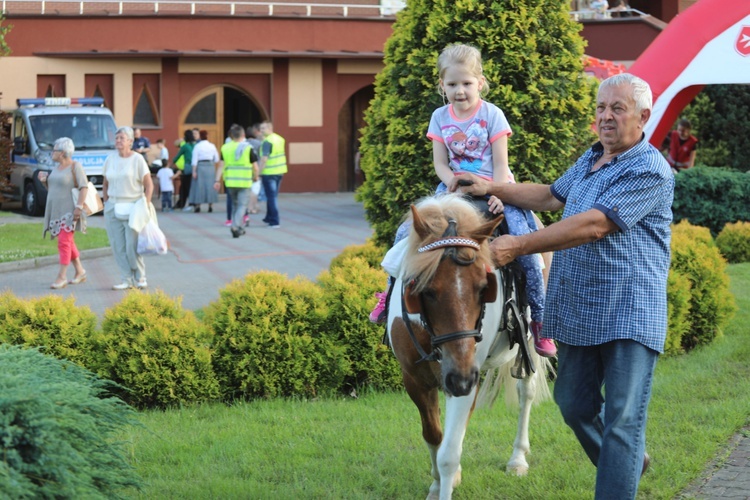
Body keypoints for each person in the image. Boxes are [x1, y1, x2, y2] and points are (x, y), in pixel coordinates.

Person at [453, 73, 674, 499]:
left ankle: (621, 464)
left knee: (623, 421)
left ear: (644, 116)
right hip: (579, 308)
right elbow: (552, 196)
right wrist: (492, 187)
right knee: (573, 405)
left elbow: (593, 225)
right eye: (601, 108)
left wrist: (517, 244)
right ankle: (629, 459)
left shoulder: (649, 168)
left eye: (618, 109)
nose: (606, 117)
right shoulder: (592, 158)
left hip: (629, 310)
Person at [368, 43, 555, 357]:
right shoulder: (440, 117)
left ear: (479, 82)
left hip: (496, 187)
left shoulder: (492, 115)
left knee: (528, 250)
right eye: (452, 84)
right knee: (406, 236)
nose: (460, 91)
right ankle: (388, 296)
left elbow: (500, 163)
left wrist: (496, 192)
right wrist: (451, 184)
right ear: (442, 85)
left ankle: (539, 320)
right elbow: (441, 163)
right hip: (453, 190)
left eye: (467, 83)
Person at [102, 126, 154, 290]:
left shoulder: (138, 159)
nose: (118, 141)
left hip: (133, 206)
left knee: (132, 245)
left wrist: (145, 204)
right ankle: (126, 279)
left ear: (130, 141)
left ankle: (140, 277)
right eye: (116, 138)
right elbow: (105, 182)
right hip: (113, 206)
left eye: (122, 138)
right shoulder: (110, 159)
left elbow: (149, 184)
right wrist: (106, 202)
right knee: (118, 246)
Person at [39, 137, 88, 289]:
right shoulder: (56, 168)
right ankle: (80, 271)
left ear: (63, 153)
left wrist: (79, 207)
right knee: (68, 242)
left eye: (54, 150)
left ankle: (62, 276)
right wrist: (43, 181)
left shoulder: (75, 166)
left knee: (64, 242)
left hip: (69, 211)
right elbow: (54, 190)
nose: (52, 153)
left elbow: (84, 187)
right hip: (56, 210)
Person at [216, 124, 259, 238]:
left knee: (235, 204)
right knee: (242, 205)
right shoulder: (248, 148)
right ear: (243, 135)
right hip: (244, 182)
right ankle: (235, 226)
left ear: (231, 136)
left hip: (230, 182)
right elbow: (255, 166)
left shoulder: (225, 147)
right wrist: (256, 176)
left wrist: (217, 180)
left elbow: (221, 165)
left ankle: (239, 227)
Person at [258, 120, 287, 229]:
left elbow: (264, 159)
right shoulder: (280, 139)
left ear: (270, 128)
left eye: (263, 128)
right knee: (273, 196)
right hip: (280, 171)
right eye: (260, 128)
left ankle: (274, 221)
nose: (261, 130)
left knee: (271, 197)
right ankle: (269, 217)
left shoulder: (267, 142)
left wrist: (259, 173)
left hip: (269, 173)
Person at [188, 130, 219, 213]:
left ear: (200, 137)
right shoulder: (212, 146)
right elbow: (217, 159)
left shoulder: (197, 146)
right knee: (210, 186)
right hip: (210, 167)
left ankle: (198, 206)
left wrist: (194, 171)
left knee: (199, 186)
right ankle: (210, 205)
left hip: (200, 166)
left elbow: (194, 160)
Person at [173, 129, 195, 210]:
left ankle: (187, 203)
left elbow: (177, 157)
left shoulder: (185, 146)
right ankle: (184, 203)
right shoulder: (195, 145)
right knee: (188, 186)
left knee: (185, 186)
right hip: (195, 167)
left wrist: (173, 163)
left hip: (187, 168)